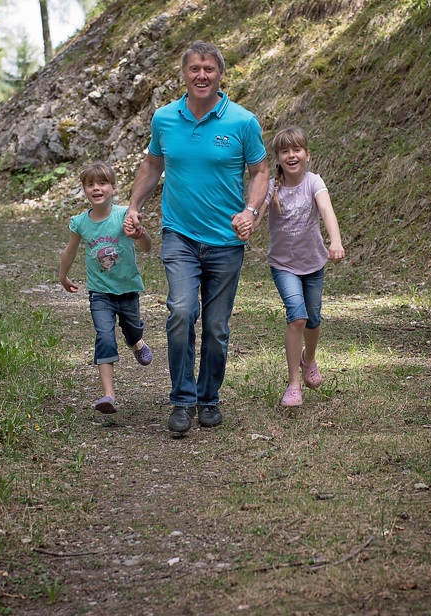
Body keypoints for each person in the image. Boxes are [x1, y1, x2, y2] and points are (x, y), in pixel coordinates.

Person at [123, 41, 268, 434]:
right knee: (182, 312)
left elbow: (259, 172)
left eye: (209, 69)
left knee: (217, 328)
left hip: (226, 240)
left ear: (220, 74)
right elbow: (153, 164)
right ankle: (183, 400)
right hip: (180, 236)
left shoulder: (242, 121)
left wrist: (251, 212)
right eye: (194, 69)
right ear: (184, 74)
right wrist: (133, 206)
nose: (201, 75)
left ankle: (209, 398)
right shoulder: (165, 119)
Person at [255, 127, 345, 407]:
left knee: (313, 319)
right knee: (297, 317)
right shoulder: (272, 186)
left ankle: (310, 359)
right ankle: (293, 383)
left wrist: (336, 241)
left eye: (296, 150)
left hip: (313, 263)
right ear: (278, 158)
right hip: (283, 265)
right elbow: (256, 212)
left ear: (307, 154)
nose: (291, 155)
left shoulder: (313, 182)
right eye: (285, 151)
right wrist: (248, 224)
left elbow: (327, 210)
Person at [59, 161, 153, 414]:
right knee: (104, 336)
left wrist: (140, 234)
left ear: (113, 187)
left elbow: (147, 248)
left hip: (127, 289)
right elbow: (70, 250)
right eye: (90, 185)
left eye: (102, 183)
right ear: (85, 190)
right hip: (100, 293)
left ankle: (136, 344)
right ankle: (108, 395)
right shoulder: (80, 222)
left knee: (132, 329)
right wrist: (63, 275)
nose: (96, 188)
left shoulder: (124, 215)